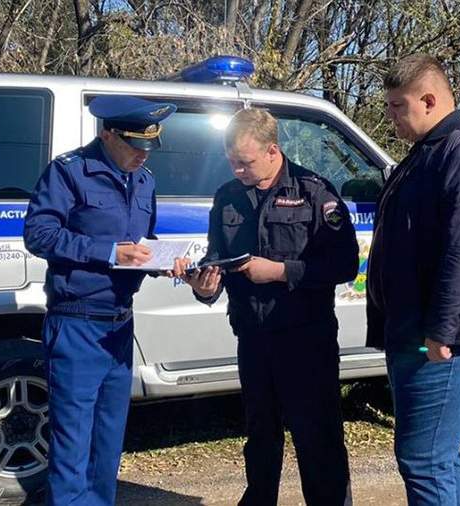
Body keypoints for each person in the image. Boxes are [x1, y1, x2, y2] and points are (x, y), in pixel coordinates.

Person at [179, 108, 357, 505]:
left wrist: (278, 271)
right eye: (231, 161)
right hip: (253, 337)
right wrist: (205, 287)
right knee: (260, 440)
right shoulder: (227, 196)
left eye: (245, 162)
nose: (237, 169)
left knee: (318, 440)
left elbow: (344, 264)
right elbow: (217, 258)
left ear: (272, 150)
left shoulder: (314, 192)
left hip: (306, 338)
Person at [366, 54, 460, 505]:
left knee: (424, 460)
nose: (389, 117)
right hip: (416, 332)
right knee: (437, 459)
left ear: (429, 100)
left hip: (451, 340)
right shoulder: (424, 155)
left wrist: (441, 330)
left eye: (396, 106)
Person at [23, 95, 176, 506]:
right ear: (107, 134)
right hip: (77, 323)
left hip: (119, 327)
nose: (143, 155)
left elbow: (143, 244)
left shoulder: (144, 180)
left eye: (149, 146)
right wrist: (109, 252)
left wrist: (172, 263)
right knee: (72, 446)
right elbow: (39, 234)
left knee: (107, 447)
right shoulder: (69, 172)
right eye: (134, 145)